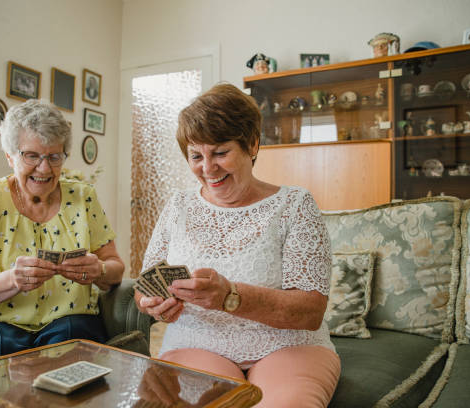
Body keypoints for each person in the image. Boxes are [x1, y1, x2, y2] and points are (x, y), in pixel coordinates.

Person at [135, 83, 341, 407]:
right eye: (196, 156)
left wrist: (230, 296)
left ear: (253, 144)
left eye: (220, 152)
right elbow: (144, 285)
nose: (207, 168)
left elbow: (310, 311)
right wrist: (151, 303)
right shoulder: (177, 206)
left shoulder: (295, 204)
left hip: (288, 345)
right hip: (195, 343)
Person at [0, 99, 124, 365]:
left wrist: (99, 269)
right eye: (31, 156)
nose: (44, 168)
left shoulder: (83, 196)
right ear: (10, 156)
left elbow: (116, 268)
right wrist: (12, 280)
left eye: (54, 157)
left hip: (70, 320)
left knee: (72, 340)